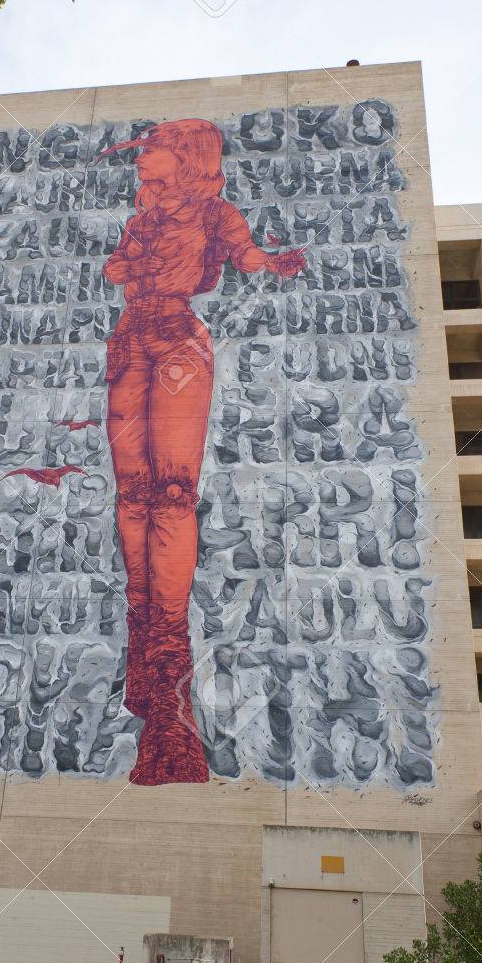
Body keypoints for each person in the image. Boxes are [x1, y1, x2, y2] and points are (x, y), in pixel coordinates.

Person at [100, 118, 305, 785]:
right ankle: (143, 652)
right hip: (130, 341)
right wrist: (134, 261)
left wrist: (271, 262)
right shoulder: (143, 220)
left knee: (171, 494)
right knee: (132, 496)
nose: (141, 162)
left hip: (177, 343)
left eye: (151, 151)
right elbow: (114, 268)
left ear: (184, 157)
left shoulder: (215, 213)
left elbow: (245, 254)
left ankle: (167, 674)